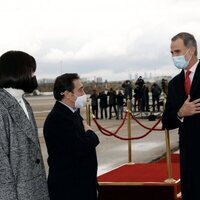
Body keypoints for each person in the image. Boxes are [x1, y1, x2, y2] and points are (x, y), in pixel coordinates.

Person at [0, 51, 49, 199]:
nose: (34, 76)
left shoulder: (24, 103)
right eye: (32, 71)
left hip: (33, 190)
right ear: (18, 72)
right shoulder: (2, 108)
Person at [43, 73, 100, 200]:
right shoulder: (58, 118)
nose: (84, 93)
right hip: (69, 190)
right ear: (68, 94)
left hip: (82, 186)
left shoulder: (73, 113)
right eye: (80, 89)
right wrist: (91, 134)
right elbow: (80, 147)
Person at [162, 32, 200, 200]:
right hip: (188, 156)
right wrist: (180, 113)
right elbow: (166, 120)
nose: (173, 56)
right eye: (171, 53)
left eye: (177, 52)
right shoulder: (174, 84)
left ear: (191, 51)